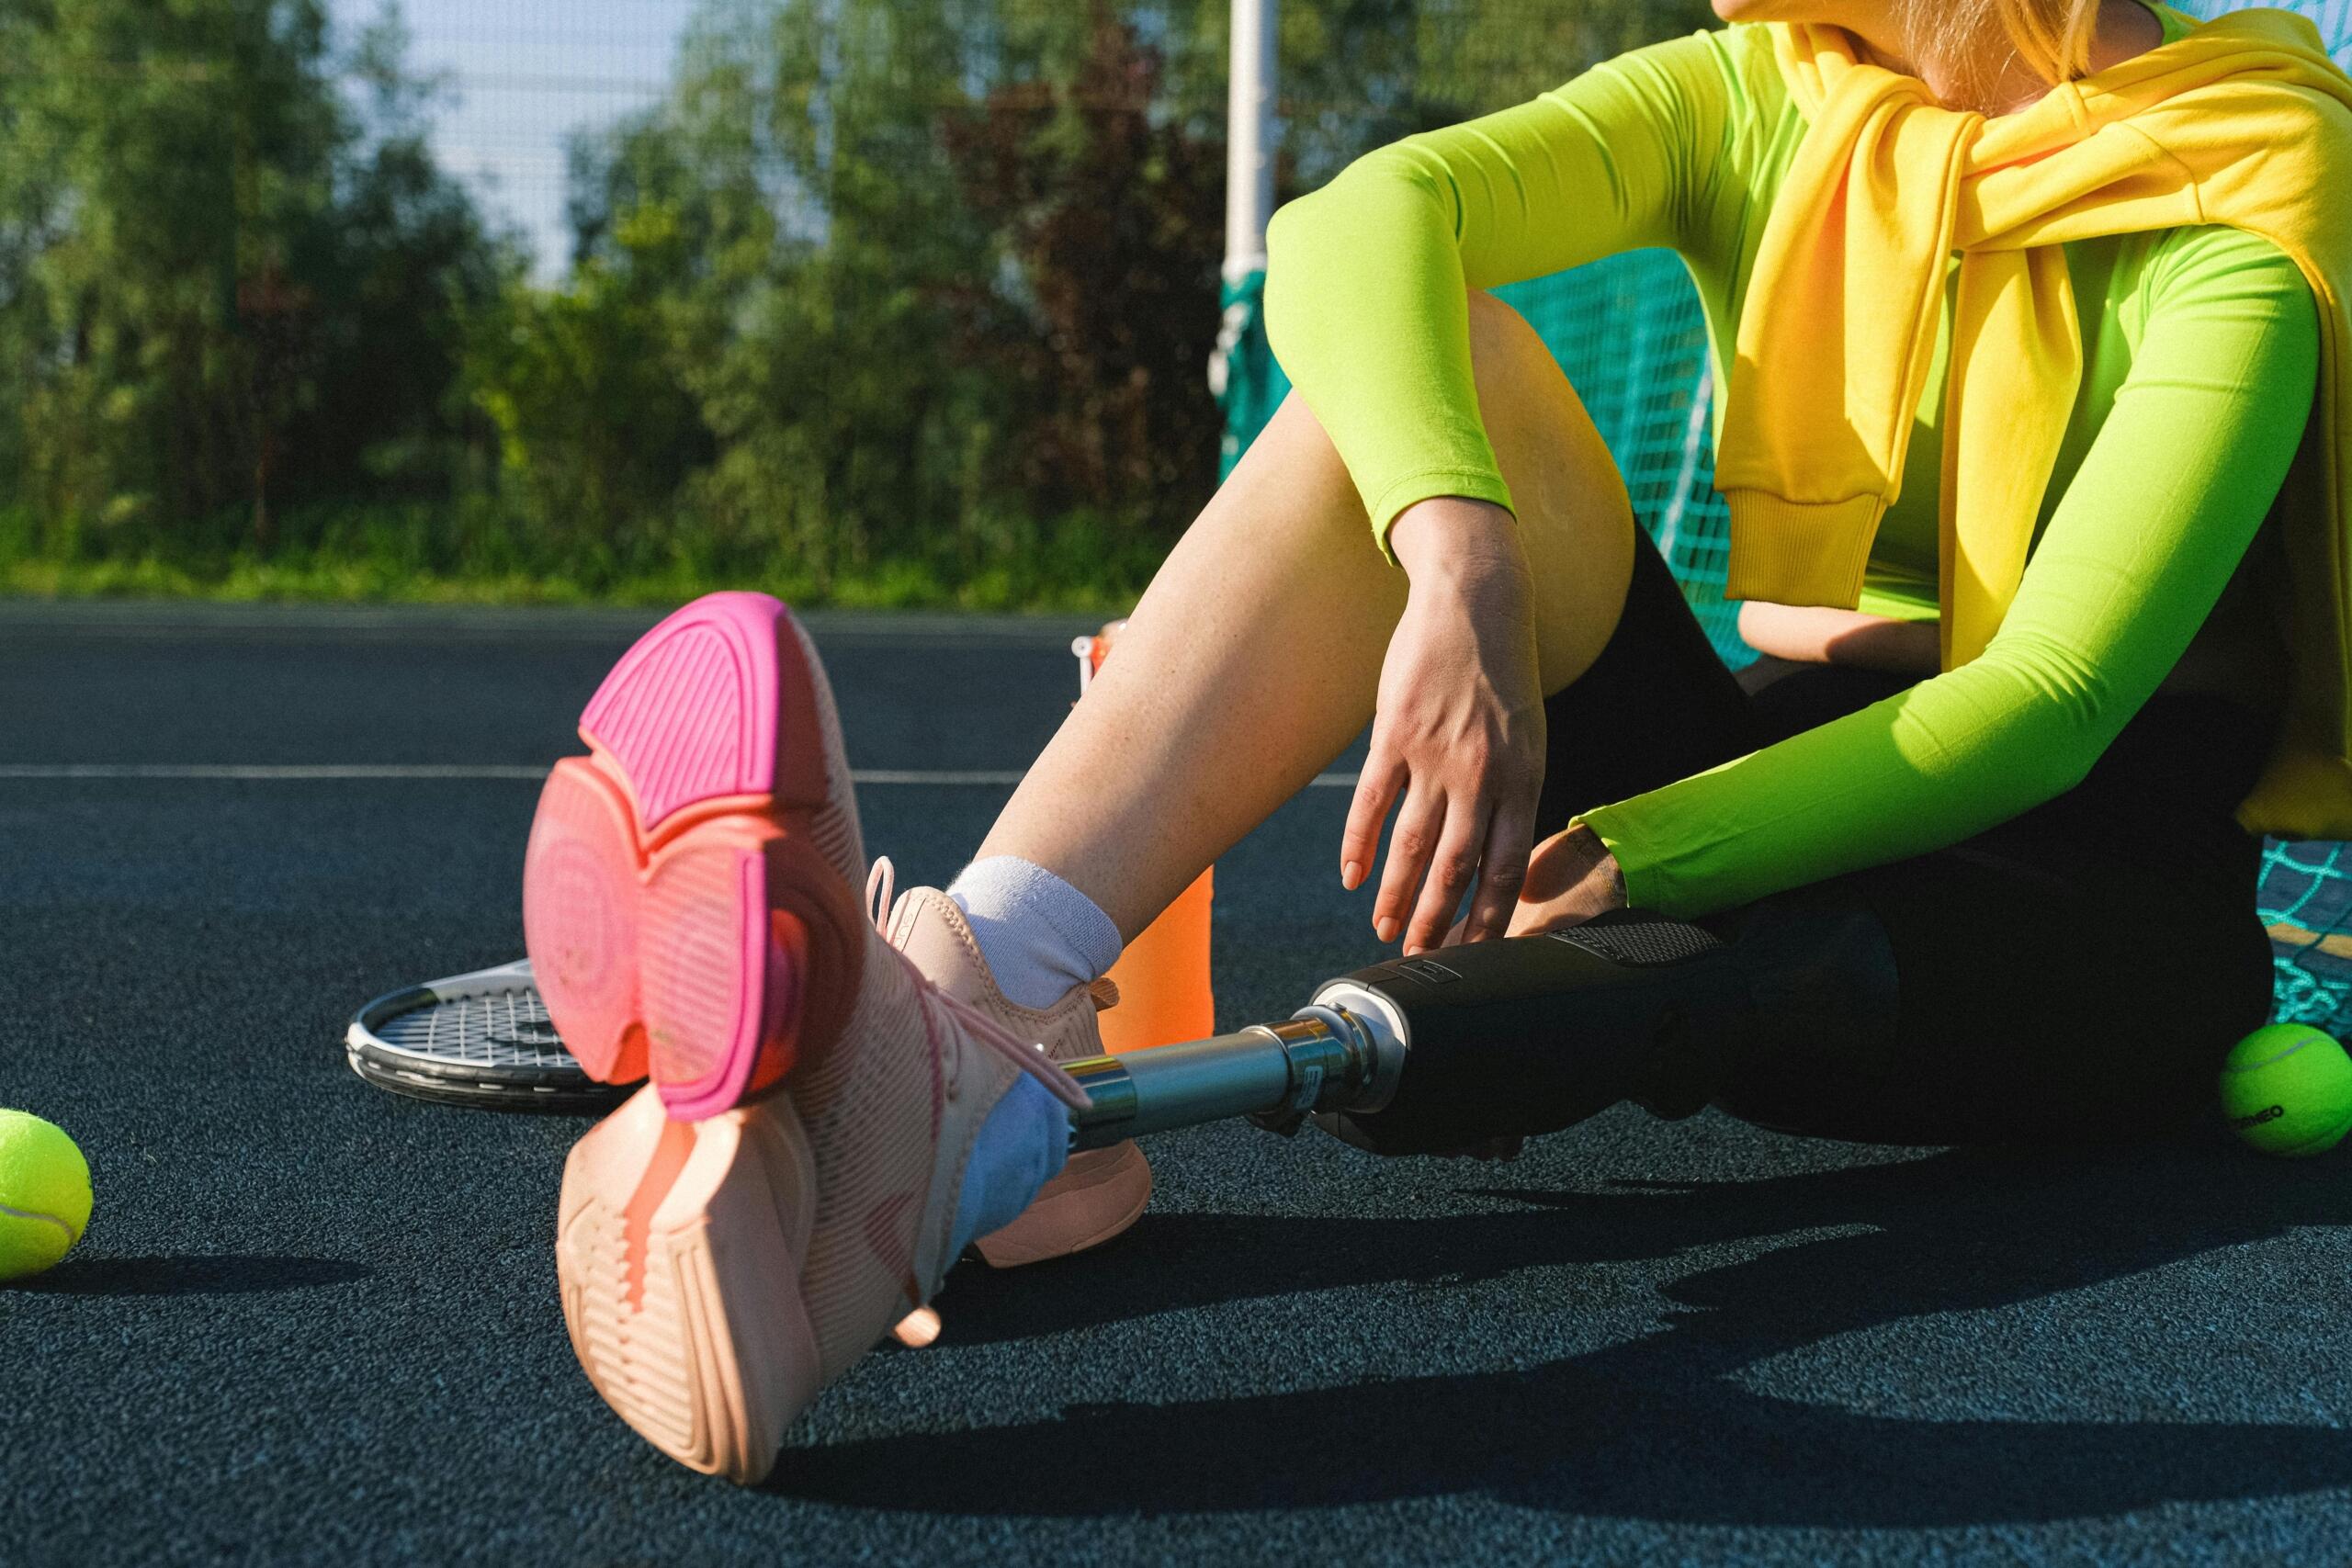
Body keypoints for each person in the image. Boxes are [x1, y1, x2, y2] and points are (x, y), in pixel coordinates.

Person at [520, 0, 2352, 1483]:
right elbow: (1356, 222)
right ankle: (986, 1004)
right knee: (1420, 376)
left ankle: (930, 1145)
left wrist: (1648, 853)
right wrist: (1451, 551)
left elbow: (2045, 706)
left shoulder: (2240, 203)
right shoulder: (1770, 96)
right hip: (1780, 741)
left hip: (2078, 892)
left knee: (1730, 962)